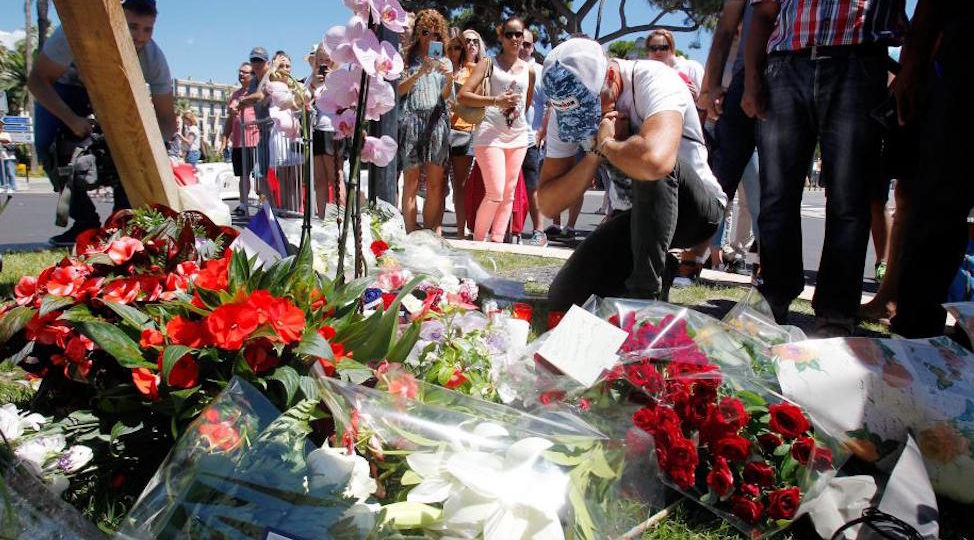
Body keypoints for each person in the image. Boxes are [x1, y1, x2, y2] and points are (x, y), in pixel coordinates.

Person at [742, 0, 908, 336]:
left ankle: (836, 311)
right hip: (786, 62)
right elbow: (763, 13)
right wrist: (751, 78)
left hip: (859, 60)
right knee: (776, 194)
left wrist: (909, 72)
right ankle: (774, 294)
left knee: (850, 198)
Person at [539, 38, 726, 310]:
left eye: (592, 108)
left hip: (695, 213)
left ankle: (644, 297)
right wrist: (597, 151)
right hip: (633, 218)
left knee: (649, 160)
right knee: (564, 298)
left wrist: (611, 144)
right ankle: (660, 267)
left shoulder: (654, 79)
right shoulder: (566, 109)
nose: (589, 121)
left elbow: (656, 162)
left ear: (611, 76)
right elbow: (548, 202)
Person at [28, 0, 177, 247]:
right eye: (132, 26)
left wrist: (158, 150)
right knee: (47, 146)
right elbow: (37, 81)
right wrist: (72, 119)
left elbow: (166, 120)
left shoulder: (153, 58)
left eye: (147, 29)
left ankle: (122, 222)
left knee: (130, 149)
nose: (140, 37)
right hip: (63, 90)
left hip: (115, 91)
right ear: (116, 20)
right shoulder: (72, 33)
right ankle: (85, 222)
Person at [889, 1, 973, 338]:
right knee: (938, 205)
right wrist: (911, 67)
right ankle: (915, 331)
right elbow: (930, 8)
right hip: (963, 64)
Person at [698, 0, 761, 276]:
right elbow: (704, 96)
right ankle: (703, 255)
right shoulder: (724, 53)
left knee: (756, 196)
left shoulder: (753, 46)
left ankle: (755, 260)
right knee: (719, 191)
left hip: (759, 99)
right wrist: (712, 91)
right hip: (722, 120)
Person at [459, 16, 534, 243]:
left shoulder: (529, 70)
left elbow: (526, 103)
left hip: (518, 136)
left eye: (518, 34)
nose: (514, 39)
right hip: (489, 134)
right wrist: (495, 101)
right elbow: (463, 95)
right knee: (495, 192)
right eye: (509, 34)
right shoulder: (488, 63)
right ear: (501, 36)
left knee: (509, 194)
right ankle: (479, 241)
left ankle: (497, 241)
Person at [397, 8, 453, 234]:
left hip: (437, 122)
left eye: (436, 33)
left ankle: (429, 233)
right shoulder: (405, 58)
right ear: (418, 32)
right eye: (426, 32)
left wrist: (449, 78)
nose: (431, 37)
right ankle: (410, 232)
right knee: (410, 182)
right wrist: (420, 72)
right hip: (411, 121)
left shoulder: (445, 60)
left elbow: (447, 96)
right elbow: (399, 91)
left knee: (435, 184)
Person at [446, 29, 485, 238]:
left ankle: (462, 231)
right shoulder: (446, 68)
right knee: (440, 183)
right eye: (451, 47)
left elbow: (480, 101)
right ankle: (438, 229)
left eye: (474, 41)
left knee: (461, 185)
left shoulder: (478, 69)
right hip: (442, 129)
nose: (469, 45)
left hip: (466, 131)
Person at [519, 27, 549, 246]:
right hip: (506, 137)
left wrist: (541, 133)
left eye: (527, 44)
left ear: (533, 47)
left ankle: (539, 231)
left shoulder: (540, 71)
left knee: (532, 186)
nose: (522, 47)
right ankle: (511, 230)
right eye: (520, 42)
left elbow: (550, 106)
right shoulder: (505, 67)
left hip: (530, 138)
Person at [308, 44, 346, 216]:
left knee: (335, 177)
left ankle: (341, 218)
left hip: (333, 129)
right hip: (316, 130)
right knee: (320, 179)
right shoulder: (311, 78)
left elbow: (345, 100)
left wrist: (332, 81)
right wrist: (313, 86)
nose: (324, 63)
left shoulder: (339, 76)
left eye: (327, 59)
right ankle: (322, 218)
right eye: (320, 59)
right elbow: (301, 100)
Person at [221, 62, 260, 217]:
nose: (241, 74)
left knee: (259, 176)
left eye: (245, 72)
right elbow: (229, 120)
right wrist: (224, 139)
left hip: (254, 140)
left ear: (253, 75)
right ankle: (243, 205)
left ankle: (265, 206)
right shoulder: (235, 95)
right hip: (238, 142)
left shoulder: (256, 93)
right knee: (242, 175)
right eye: (240, 72)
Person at [235, 47, 273, 202]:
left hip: (275, 132)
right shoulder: (253, 83)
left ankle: (277, 208)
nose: (256, 63)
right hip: (263, 133)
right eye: (254, 60)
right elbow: (253, 99)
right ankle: (270, 208)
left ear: (267, 63)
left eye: (260, 60)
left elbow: (260, 96)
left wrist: (242, 101)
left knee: (274, 174)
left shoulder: (272, 76)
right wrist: (241, 103)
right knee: (261, 174)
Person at [646, 29, 704, 99]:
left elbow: (708, 100)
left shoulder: (692, 67)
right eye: (653, 48)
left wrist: (697, 97)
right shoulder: (651, 77)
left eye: (662, 48)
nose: (657, 52)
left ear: (672, 48)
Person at [0, 120, 17, 194]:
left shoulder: (5, 134)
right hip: (1, 158)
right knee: (1, 173)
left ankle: (12, 187)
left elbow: (7, 140)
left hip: (9, 157)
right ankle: (2, 186)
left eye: (0, 126)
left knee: (10, 173)